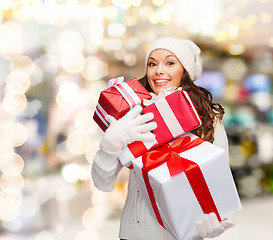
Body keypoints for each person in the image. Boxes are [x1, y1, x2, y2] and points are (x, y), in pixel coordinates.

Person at [91, 37, 235, 240]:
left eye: (169, 62)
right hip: (134, 235)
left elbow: (219, 184)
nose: (159, 70)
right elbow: (102, 182)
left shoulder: (208, 121)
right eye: (152, 63)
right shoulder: (135, 116)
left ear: (185, 71)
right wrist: (110, 145)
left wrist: (213, 222)